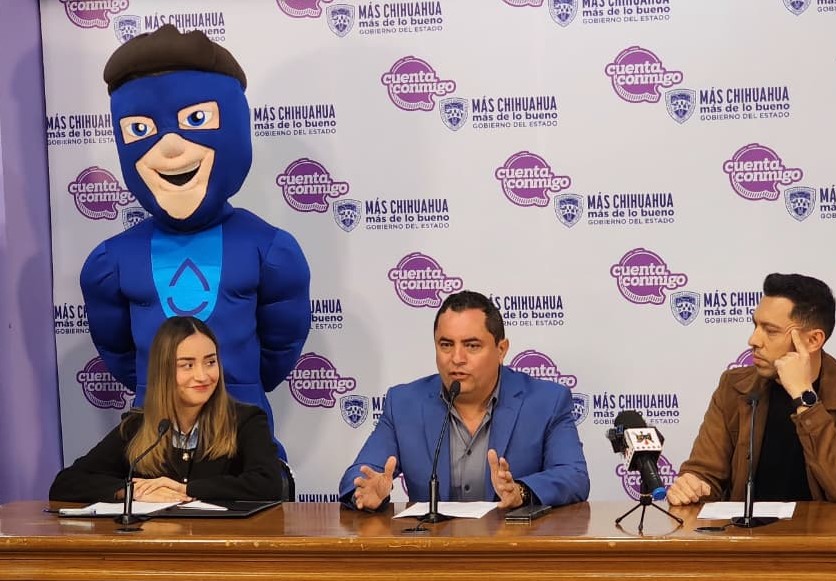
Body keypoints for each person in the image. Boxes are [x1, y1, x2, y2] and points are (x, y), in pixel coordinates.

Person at [80, 24, 310, 460]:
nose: (170, 147)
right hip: (154, 445)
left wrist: (238, 384)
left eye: (196, 120)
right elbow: (118, 352)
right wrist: (159, 387)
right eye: (140, 129)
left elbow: (280, 349)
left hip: (242, 441)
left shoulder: (269, 251)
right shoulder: (112, 261)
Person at [339, 290, 589, 510]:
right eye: (446, 345)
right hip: (433, 547)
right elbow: (356, 477)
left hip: (514, 546)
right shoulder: (404, 404)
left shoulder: (547, 401)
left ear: (501, 350)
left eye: (471, 346)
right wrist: (366, 491)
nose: (457, 358)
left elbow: (573, 475)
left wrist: (521, 492)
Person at [667, 273, 836, 505]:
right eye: (755, 325)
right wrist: (693, 485)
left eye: (771, 331)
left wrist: (804, 396)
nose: (753, 340)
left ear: (813, 340)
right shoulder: (734, 387)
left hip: (827, 529)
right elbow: (705, 473)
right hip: (748, 528)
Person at [50, 316, 282, 502]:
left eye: (210, 362)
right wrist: (130, 491)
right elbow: (66, 484)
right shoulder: (137, 426)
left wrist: (186, 489)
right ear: (164, 372)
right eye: (187, 365)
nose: (202, 375)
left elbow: (268, 485)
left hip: (222, 543)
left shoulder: (246, 421)